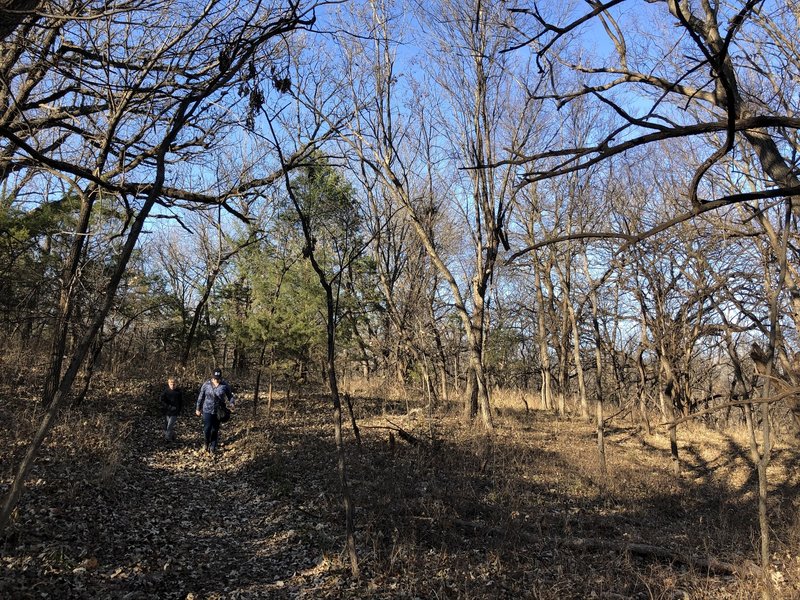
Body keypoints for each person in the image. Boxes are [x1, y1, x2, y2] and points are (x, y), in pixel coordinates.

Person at [195, 368, 235, 455]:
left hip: (219, 411)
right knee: (207, 429)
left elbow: (230, 396)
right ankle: (206, 443)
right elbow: (200, 397)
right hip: (207, 410)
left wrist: (232, 403)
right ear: (212, 377)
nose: (216, 380)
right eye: (215, 378)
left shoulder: (224, 385)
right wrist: (198, 408)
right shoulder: (206, 384)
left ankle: (213, 447)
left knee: (215, 429)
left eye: (218, 378)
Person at [160, 376, 184, 442]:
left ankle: (168, 439)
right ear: (168, 384)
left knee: (170, 426)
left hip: (175, 412)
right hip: (167, 411)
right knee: (166, 426)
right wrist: (168, 407)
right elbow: (162, 400)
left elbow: (181, 402)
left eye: (174, 384)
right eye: (171, 384)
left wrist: (179, 410)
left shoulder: (178, 392)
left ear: (176, 384)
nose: (172, 385)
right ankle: (173, 436)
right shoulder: (166, 391)